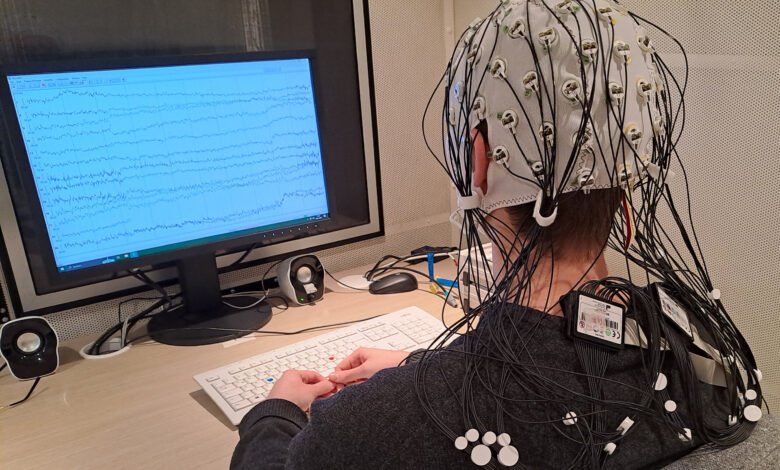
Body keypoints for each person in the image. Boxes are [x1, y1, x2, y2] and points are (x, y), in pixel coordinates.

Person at [232, 1, 763, 468]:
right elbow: (558, 371)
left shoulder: (364, 430)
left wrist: (273, 413)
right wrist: (424, 368)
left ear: (479, 161)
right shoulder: (701, 352)